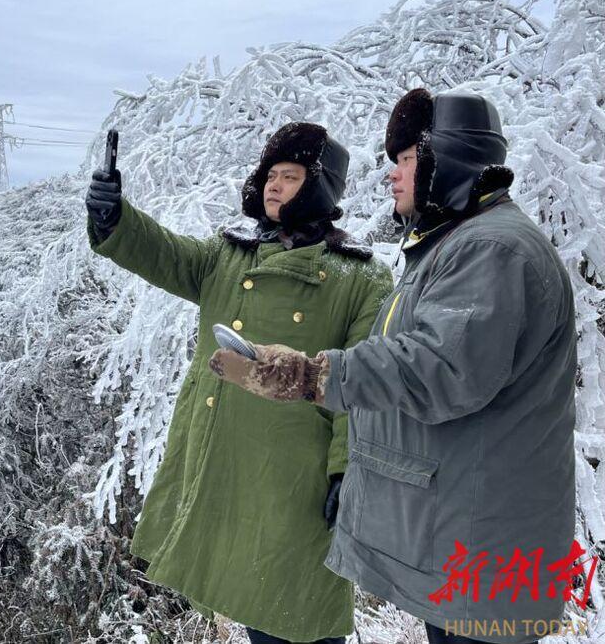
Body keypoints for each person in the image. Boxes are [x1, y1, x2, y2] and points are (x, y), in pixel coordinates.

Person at [208, 90, 578, 644]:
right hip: (467, 541)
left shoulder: (493, 250)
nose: (393, 176)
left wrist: (313, 375)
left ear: (446, 157)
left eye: (406, 159)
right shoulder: (457, 244)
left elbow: (438, 367)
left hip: (482, 554)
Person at [85, 122, 393, 643]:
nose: (273, 186)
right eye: (270, 174)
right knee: (254, 611)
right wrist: (115, 217)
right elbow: (166, 253)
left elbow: (360, 386)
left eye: (290, 176)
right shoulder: (231, 255)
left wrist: (349, 471)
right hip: (224, 461)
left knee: (296, 615)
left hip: (293, 477)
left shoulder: (358, 278)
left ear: (319, 187)